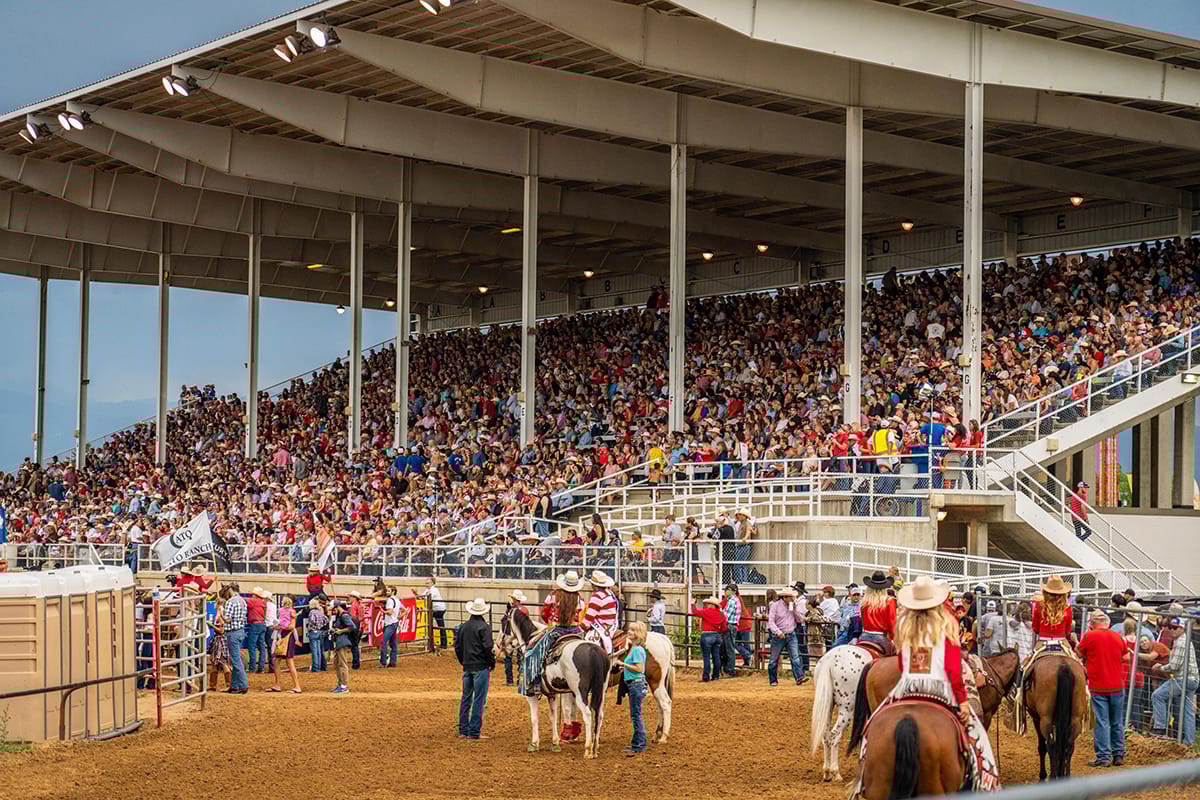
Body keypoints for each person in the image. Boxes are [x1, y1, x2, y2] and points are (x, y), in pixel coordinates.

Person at [868, 575, 999, 793]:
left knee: (871, 726)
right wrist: (964, 702)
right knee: (978, 740)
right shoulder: (946, 627)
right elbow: (953, 669)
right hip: (940, 690)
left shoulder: (904, 626)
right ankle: (985, 782)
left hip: (906, 688)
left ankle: (863, 777)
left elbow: (902, 664)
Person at [1077, 609, 1129, 767]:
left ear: (1092, 624)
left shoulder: (1089, 636)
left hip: (1098, 685)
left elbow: (1078, 653)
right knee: (1117, 721)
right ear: (1108, 623)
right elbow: (1126, 657)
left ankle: (1103, 756)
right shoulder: (1117, 636)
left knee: (1101, 721)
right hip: (1117, 685)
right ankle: (1118, 754)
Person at [1151, 617, 1199, 745]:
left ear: (1182, 628)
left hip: (1182, 679)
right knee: (1188, 711)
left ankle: (1160, 729)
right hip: (1192, 679)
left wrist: (1159, 667)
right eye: (1170, 627)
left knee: (1157, 695)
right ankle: (1188, 742)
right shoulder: (1185, 640)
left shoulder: (1180, 642)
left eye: (1174, 627)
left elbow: (1174, 666)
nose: (1171, 630)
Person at [455, 597, 495, 740]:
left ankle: (463, 729)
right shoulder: (484, 628)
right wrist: (492, 663)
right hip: (481, 666)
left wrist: (463, 662)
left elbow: (458, 647)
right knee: (479, 699)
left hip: (467, 666)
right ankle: (474, 731)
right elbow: (488, 648)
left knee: (466, 698)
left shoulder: (463, 627)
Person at [766, 587, 805, 686]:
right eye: (791, 597)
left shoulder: (791, 606)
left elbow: (800, 620)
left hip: (790, 633)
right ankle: (773, 680)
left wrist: (795, 610)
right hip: (779, 635)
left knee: (795, 657)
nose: (792, 599)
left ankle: (799, 677)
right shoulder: (775, 606)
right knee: (773, 659)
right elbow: (771, 621)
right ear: (785, 597)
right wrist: (778, 632)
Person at [622, 621, 649, 756]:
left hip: (636, 684)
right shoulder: (636, 648)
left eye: (632, 630)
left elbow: (639, 669)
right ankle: (636, 743)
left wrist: (622, 664)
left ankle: (639, 745)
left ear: (638, 634)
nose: (629, 632)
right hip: (635, 684)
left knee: (636, 715)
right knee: (636, 714)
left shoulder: (637, 650)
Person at [268, 596, 302, 694]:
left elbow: (292, 626)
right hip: (283, 636)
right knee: (276, 660)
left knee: (289, 661)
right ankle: (277, 684)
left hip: (287, 637)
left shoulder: (290, 612)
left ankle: (297, 686)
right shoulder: (289, 612)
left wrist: (279, 627)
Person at [581, 571, 619, 653]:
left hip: (601, 627)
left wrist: (581, 627)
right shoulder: (609, 594)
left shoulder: (597, 596)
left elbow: (588, 618)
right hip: (611, 626)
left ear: (594, 585)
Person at [690, 596, 726, 682]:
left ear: (711, 605)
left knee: (706, 657)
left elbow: (695, 612)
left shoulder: (707, 612)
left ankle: (706, 677)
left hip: (707, 635)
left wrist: (693, 604)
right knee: (716, 657)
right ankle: (716, 676)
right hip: (717, 635)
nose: (707, 605)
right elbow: (724, 627)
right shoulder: (721, 614)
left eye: (708, 603)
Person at [858, 571, 897, 650]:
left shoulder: (864, 602)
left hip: (864, 636)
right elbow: (892, 623)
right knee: (896, 656)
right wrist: (894, 638)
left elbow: (862, 621)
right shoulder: (889, 601)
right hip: (881, 637)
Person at [220, 583, 248, 694]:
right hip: (240, 631)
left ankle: (243, 685)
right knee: (236, 659)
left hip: (232, 632)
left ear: (230, 589)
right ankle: (235, 685)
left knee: (236, 661)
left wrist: (220, 613)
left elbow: (227, 619)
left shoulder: (231, 602)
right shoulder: (242, 601)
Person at [329, 600, 357, 694]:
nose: (333, 612)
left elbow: (352, 627)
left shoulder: (344, 616)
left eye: (334, 609)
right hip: (339, 642)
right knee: (337, 664)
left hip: (342, 642)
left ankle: (344, 686)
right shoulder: (340, 616)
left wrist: (340, 631)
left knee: (342, 664)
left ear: (337, 607)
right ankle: (340, 684)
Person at [504, 588, 528, 686]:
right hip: (520, 637)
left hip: (514, 636)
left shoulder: (512, 611)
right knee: (520, 658)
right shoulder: (524, 610)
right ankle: (519, 680)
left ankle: (511, 680)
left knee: (510, 657)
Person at [720, 583, 741, 677]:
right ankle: (728, 669)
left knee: (729, 649)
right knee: (728, 648)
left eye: (727, 590)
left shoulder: (732, 601)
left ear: (732, 591)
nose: (725, 591)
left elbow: (726, 615)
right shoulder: (733, 600)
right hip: (731, 626)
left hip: (729, 625)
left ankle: (730, 670)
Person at [424, 577, 448, 652]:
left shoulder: (434, 590)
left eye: (428, 583)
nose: (426, 585)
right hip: (436, 609)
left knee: (434, 625)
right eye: (426, 583)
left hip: (438, 610)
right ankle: (442, 643)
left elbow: (428, 597)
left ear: (432, 583)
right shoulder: (428, 590)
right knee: (440, 625)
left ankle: (432, 642)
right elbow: (423, 596)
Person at [379, 586, 401, 668]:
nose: (387, 592)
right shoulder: (397, 600)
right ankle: (392, 662)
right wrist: (398, 617)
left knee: (383, 642)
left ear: (393, 591)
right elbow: (404, 610)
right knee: (393, 643)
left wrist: (383, 611)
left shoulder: (390, 600)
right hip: (394, 623)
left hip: (390, 624)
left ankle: (383, 662)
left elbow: (390, 612)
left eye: (388, 591)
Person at [306, 598, 329, 673]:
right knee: (319, 650)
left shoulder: (312, 612)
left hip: (313, 632)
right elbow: (326, 620)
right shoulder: (320, 612)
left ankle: (316, 668)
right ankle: (319, 667)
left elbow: (312, 621)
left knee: (314, 651)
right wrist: (320, 625)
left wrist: (310, 627)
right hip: (320, 631)